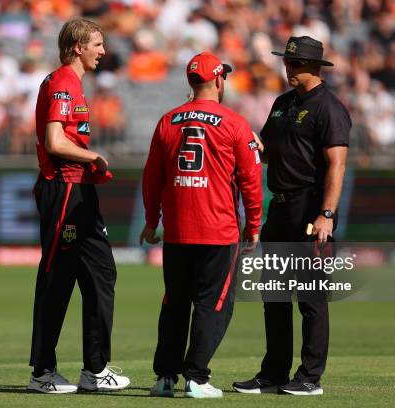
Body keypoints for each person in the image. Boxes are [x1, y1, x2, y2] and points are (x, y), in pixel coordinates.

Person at [140, 51, 263, 398]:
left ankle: (165, 378)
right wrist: (254, 224)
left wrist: (152, 222)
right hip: (218, 231)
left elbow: (152, 179)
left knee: (174, 303)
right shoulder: (234, 123)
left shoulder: (168, 120)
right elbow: (251, 180)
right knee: (213, 305)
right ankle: (196, 377)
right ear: (220, 80)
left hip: (178, 231)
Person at [233, 36, 350, 396]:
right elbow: (269, 149)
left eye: (295, 64)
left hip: (309, 208)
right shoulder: (283, 104)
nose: (289, 69)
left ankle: (310, 376)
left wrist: (326, 214)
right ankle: (274, 372)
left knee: (311, 299)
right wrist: (252, 142)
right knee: (276, 296)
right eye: (287, 62)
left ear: (315, 68)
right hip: (280, 207)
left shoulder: (330, 108)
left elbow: (336, 164)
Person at [27, 18, 129, 394]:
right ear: (77, 47)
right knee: (57, 279)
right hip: (65, 190)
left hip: (81, 191)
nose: (103, 52)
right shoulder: (63, 83)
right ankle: (42, 372)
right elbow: (54, 141)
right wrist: (93, 155)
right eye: (97, 45)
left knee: (102, 274)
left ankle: (95, 369)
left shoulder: (73, 84)